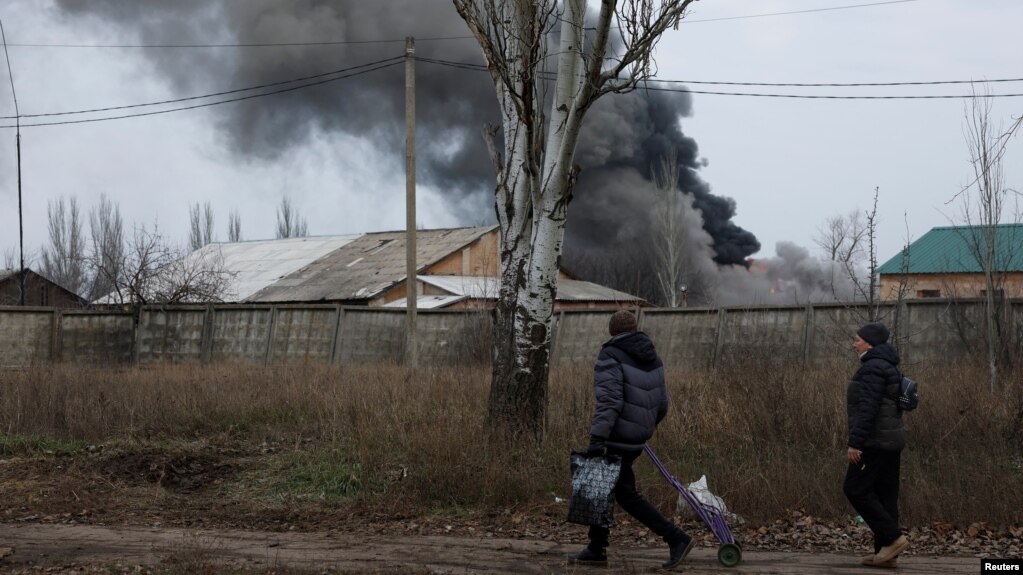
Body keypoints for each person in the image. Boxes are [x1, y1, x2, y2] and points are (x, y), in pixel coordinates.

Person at [568, 309, 694, 569]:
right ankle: (596, 548)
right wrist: (644, 428)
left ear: (612, 331)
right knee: (604, 487)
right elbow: (662, 404)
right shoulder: (653, 356)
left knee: (624, 494)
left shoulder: (610, 354)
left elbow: (610, 401)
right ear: (635, 329)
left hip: (616, 436)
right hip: (637, 437)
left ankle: (676, 538)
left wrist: (597, 439)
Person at [844, 322, 908, 569]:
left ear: (869, 343)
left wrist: (855, 443)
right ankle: (886, 553)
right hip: (892, 440)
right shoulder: (889, 365)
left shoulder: (872, 368)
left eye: (857, 339)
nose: (854, 343)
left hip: (875, 442)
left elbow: (867, 409)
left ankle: (893, 538)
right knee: (885, 495)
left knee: (855, 489)